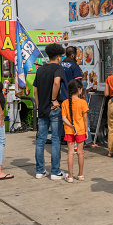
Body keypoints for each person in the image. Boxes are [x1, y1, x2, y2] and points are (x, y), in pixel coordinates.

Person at [34, 43, 66, 180]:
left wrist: (39, 105)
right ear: (58, 57)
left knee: (40, 140)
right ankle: (55, 171)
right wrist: (53, 99)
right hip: (54, 108)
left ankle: (40, 171)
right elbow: (57, 82)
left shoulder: (40, 70)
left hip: (42, 109)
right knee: (55, 139)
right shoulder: (58, 68)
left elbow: (35, 90)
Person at [61, 79, 88, 182]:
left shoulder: (65, 103)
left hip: (69, 130)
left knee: (70, 153)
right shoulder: (83, 102)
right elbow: (85, 118)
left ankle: (70, 176)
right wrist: (86, 130)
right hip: (81, 130)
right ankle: (80, 175)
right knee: (80, 153)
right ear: (79, 89)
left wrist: (71, 126)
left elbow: (64, 118)